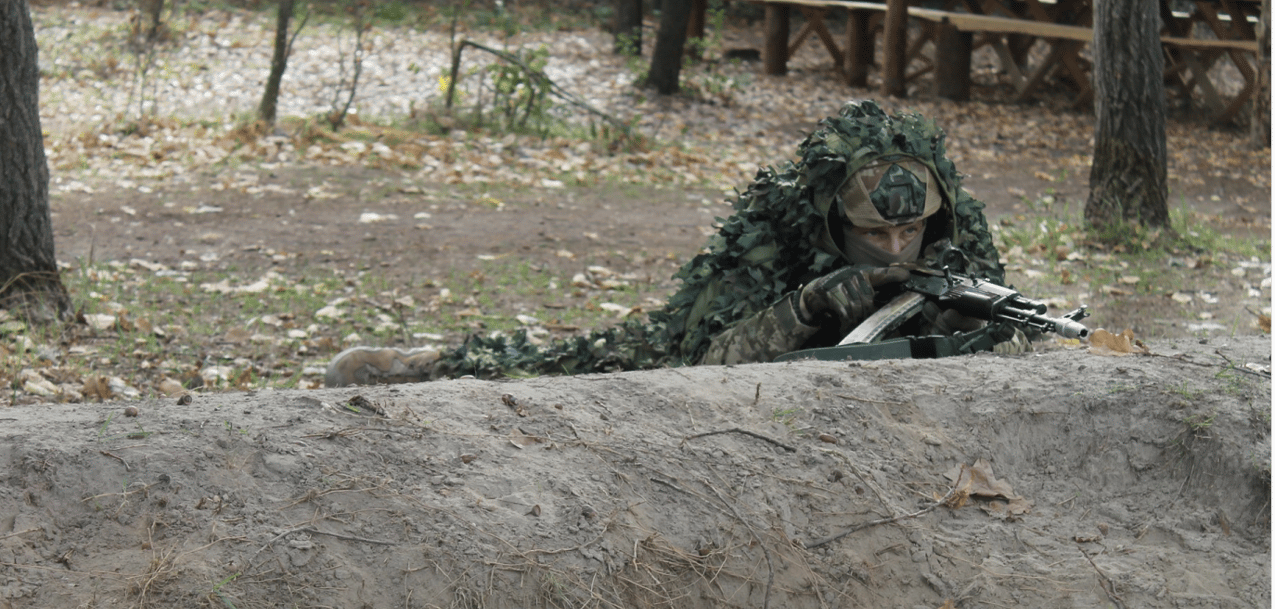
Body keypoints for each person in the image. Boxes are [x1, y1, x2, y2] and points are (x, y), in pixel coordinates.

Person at [325, 100, 1029, 387]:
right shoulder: (775, 229)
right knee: (584, 365)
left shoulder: (952, 227)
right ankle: (424, 368)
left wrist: (965, 318)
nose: (898, 244)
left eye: (910, 230)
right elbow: (705, 357)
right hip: (699, 373)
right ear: (835, 223)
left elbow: (992, 333)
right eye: (876, 233)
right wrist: (806, 309)